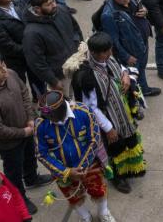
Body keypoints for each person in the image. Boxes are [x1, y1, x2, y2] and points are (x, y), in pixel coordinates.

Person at [71, 32, 147, 194]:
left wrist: (125, 75)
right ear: (93, 53)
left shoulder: (108, 59)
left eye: (109, 50)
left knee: (128, 141)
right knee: (114, 150)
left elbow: (119, 67)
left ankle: (130, 169)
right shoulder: (87, 76)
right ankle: (117, 178)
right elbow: (91, 107)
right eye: (105, 52)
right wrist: (108, 128)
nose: (109, 54)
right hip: (108, 120)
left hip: (123, 113)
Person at [0, 51, 49, 215]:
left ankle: (32, 178)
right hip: (9, 144)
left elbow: (24, 94)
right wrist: (24, 132)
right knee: (13, 172)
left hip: (27, 131)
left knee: (30, 156)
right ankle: (20, 197)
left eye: (4, 65)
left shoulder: (11, 75)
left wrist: (30, 118)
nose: (4, 71)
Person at [34, 90, 117, 222]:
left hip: (89, 164)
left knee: (98, 189)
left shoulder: (84, 111)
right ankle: (85, 217)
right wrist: (66, 172)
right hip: (62, 170)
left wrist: (83, 166)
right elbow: (41, 154)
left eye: (51, 117)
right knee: (72, 196)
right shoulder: (41, 124)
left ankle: (103, 212)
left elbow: (94, 141)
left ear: (61, 110)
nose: (48, 120)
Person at [99, 0, 163, 94]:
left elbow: (140, 7)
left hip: (141, 44)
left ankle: (144, 89)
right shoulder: (109, 15)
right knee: (132, 76)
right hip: (131, 51)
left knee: (141, 69)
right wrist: (126, 56)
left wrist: (145, 11)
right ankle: (135, 97)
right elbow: (113, 41)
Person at [23, 0, 84, 93]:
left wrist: (79, 46)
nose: (55, 5)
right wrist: (53, 81)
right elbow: (36, 62)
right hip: (61, 76)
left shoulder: (62, 10)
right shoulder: (31, 33)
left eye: (53, 1)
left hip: (77, 65)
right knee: (70, 103)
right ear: (37, 9)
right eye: (49, 4)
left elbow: (75, 29)